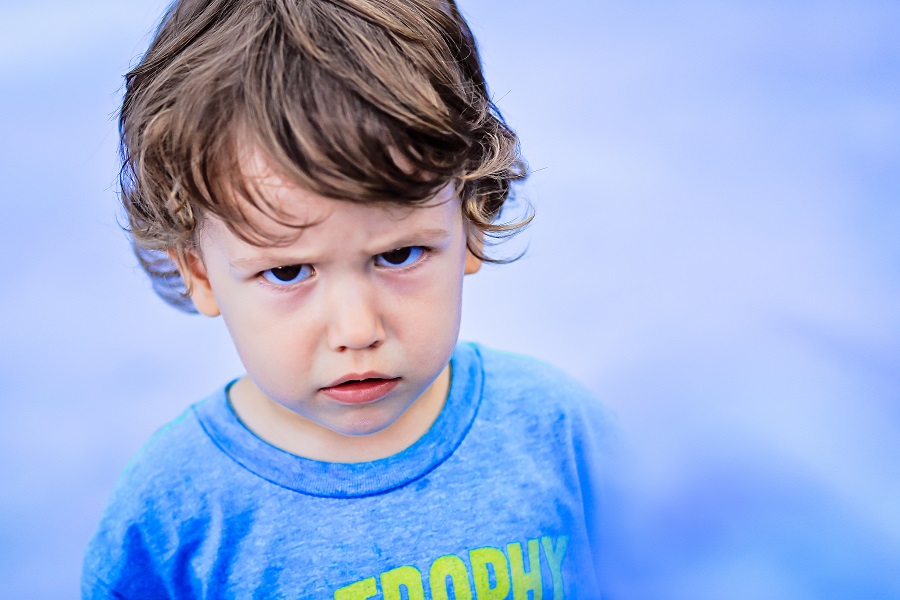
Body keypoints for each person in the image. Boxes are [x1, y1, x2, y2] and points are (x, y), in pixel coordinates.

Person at [82, 0, 619, 597]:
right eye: (288, 271)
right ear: (199, 272)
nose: (357, 328)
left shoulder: (559, 433)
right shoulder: (174, 515)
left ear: (470, 220)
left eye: (397, 256)